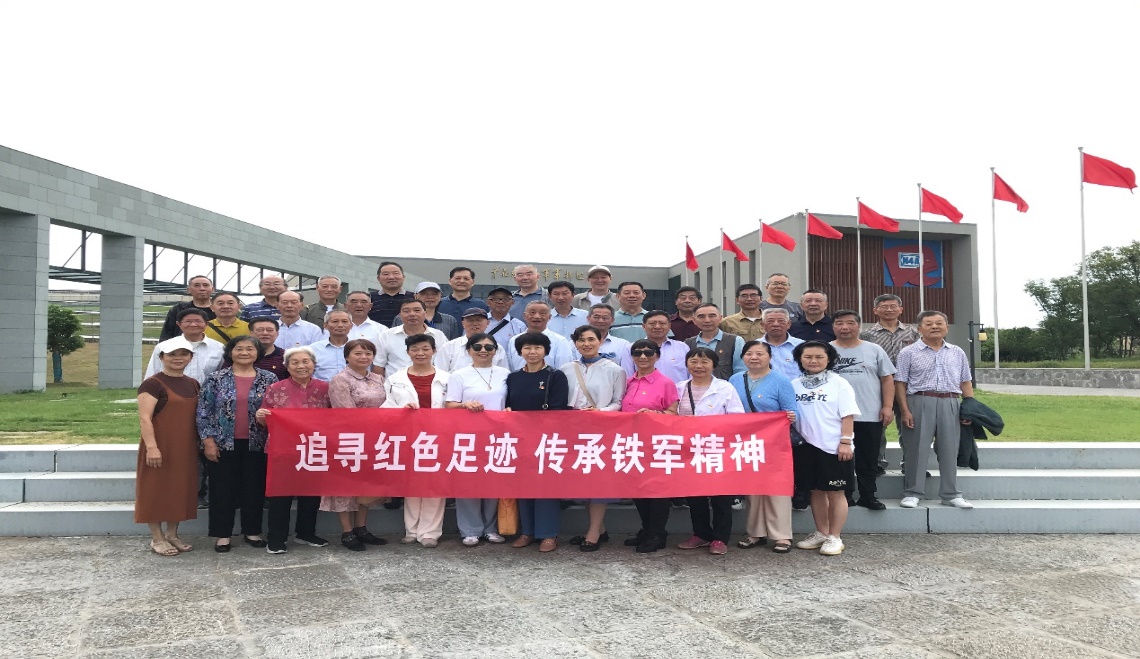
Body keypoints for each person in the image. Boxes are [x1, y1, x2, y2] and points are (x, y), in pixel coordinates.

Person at [196, 335, 277, 552]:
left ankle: (252, 531)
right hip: (222, 443)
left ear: (257, 353)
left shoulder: (269, 378)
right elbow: (203, 412)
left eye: (250, 349)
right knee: (222, 490)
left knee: (254, 489)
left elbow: (277, 409)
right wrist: (208, 441)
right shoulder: (216, 378)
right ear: (230, 352)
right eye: (239, 348)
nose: (244, 353)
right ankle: (222, 534)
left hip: (258, 444)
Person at [895, 310, 976, 510]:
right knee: (916, 449)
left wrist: (969, 408)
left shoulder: (957, 352)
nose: (934, 327)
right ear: (919, 329)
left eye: (939, 323)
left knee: (949, 449)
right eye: (929, 323)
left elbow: (965, 381)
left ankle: (950, 494)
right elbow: (900, 383)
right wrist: (905, 410)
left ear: (946, 327)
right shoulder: (908, 352)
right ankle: (912, 493)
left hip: (950, 402)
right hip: (919, 401)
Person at [258, 346, 332, 554]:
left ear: (314, 364)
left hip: (315, 447)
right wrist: (261, 416)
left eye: (305, 361)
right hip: (283, 449)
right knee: (281, 494)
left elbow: (335, 417)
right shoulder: (276, 388)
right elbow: (265, 419)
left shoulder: (325, 388)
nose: (301, 366)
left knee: (311, 493)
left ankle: (305, 533)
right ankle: (276, 537)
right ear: (287, 366)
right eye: (295, 362)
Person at [560, 326, 626, 552]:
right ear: (575, 343)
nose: (586, 344)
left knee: (598, 482)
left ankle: (593, 533)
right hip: (573, 431)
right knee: (583, 482)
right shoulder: (567, 369)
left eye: (591, 339)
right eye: (581, 340)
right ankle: (600, 529)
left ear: (600, 341)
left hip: (601, 431)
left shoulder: (614, 369)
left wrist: (600, 412)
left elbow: (618, 402)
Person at [729, 340, 799, 553]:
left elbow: (792, 411)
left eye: (760, 353)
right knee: (752, 488)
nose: (754, 357)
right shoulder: (735, 379)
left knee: (777, 487)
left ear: (770, 357)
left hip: (774, 441)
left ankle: (782, 535)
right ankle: (755, 533)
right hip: (745, 442)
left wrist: (790, 417)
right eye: (749, 353)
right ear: (743, 357)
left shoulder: (781, 381)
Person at [791, 341, 860, 556]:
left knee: (836, 492)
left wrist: (845, 441)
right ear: (800, 359)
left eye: (819, 357)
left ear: (829, 359)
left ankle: (835, 537)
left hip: (833, 447)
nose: (813, 361)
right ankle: (821, 532)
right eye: (808, 357)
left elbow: (848, 415)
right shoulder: (795, 384)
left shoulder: (839, 383)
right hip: (805, 446)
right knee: (816, 491)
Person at [675, 348, 745, 556]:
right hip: (689, 450)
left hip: (717, 449)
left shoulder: (725, 388)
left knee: (720, 496)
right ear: (687, 364)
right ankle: (701, 534)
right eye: (693, 361)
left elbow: (736, 418)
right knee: (695, 495)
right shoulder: (679, 387)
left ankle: (720, 538)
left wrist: (704, 424)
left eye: (704, 362)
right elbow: (671, 415)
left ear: (714, 365)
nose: (699, 366)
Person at [382, 334, 450, 547]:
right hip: (408, 437)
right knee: (411, 483)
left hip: (438, 437)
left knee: (434, 484)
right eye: (415, 349)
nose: (420, 353)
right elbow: (385, 407)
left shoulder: (447, 378)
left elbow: (453, 406)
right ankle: (411, 530)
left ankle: (430, 532)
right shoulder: (395, 379)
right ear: (408, 352)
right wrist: (401, 410)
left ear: (434, 351)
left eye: (425, 349)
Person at [135, 336, 200, 556]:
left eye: (183, 354)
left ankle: (172, 534)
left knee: (179, 489)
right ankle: (157, 537)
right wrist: (152, 447)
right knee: (154, 489)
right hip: (160, 444)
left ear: (190, 357)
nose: (178, 358)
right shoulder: (152, 384)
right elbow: (145, 418)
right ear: (161, 357)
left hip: (185, 446)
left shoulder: (193, 384)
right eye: (172, 354)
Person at [506, 332, 570, 552]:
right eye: (527, 348)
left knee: (545, 487)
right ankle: (528, 531)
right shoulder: (513, 377)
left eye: (537, 348)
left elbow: (558, 409)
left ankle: (548, 534)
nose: (532, 352)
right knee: (523, 486)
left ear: (545, 351)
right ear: (520, 351)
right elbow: (509, 405)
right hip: (519, 440)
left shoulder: (555, 376)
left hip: (546, 439)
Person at [445, 332, 510, 547]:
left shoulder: (505, 373)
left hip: (498, 435)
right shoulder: (459, 375)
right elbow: (449, 405)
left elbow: (509, 401)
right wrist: (465, 404)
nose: (483, 351)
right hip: (468, 435)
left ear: (495, 351)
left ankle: (491, 528)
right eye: (478, 347)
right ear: (468, 351)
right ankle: (470, 529)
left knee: (494, 481)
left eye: (489, 347)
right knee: (468, 482)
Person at [323, 339, 389, 551]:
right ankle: (347, 531)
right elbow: (346, 413)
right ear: (347, 356)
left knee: (365, 484)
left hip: (376, 439)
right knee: (346, 486)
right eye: (358, 353)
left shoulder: (378, 378)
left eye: (368, 353)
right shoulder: (340, 379)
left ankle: (362, 528)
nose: (363, 357)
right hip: (349, 439)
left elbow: (388, 406)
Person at [831, 310, 895, 511]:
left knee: (868, 458)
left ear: (859, 326)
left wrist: (887, 406)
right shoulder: (825, 350)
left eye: (850, 323)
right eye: (839, 323)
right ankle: (845, 495)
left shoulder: (874, 349)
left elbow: (887, 379)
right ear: (833, 327)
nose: (845, 327)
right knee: (841, 459)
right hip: (836, 417)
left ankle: (868, 495)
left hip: (869, 413)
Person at [621, 338, 679, 553]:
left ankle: (658, 533)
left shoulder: (665, 383)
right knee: (638, 489)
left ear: (657, 356)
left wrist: (655, 414)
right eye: (637, 353)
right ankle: (646, 529)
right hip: (632, 443)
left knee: (657, 490)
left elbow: (673, 413)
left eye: (648, 352)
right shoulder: (628, 381)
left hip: (657, 444)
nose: (643, 357)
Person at [860, 293, 920, 473]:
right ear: (875, 310)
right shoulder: (866, 335)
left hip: (908, 387)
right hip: (878, 387)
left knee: (909, 425)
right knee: (878, 426)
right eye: (884, 306)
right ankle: (877, 463)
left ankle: (910, 464)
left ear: (901, 309)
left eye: (893, 306)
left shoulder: (913, 332)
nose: (889, 310)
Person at [145, 309, 225, 384]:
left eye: (198, 321)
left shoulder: (219, 348)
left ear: (206, 324)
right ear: (179, 324)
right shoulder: (163, 347)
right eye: (188, 321)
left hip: (207, 393)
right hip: (173, 392)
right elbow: (152, 373)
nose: (193, 325)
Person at [374, 299, 449, 376]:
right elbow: (379, 365)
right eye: (406, 311)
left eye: (417, 310)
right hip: (396, 382)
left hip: (432, 381)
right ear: (399, 315)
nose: (412, 314)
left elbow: (445, 362)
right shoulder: (386, 336)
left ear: (425, 313)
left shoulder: (439, 336)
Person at [505, 301, 576, 371]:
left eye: (542, 313)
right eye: (532, 312)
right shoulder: (514, 340)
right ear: (524, 316)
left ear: (549, 317)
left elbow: (564, 370)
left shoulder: (560, 341)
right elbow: (511, 368)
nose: (537, 316)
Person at [436, 307, 509, 371]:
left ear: (487, 323)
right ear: (463, 323)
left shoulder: (497, 348)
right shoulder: (449, 347)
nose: (475, 323)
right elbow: (440, 373)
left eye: (479, 320)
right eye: (470, 320)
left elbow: (503, 374)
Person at [625, 310, 689, 382]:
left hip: (677, 389)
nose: (657, 327)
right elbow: (628, 377)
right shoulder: (631, 348)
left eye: (662, 323)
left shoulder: (682, 347)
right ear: (644, 326)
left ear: (669, 326)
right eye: (652, 323)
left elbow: (690, 375)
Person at [686, 303, 745, 380]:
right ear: (694, 320)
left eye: (712, 316)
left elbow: (741, 372)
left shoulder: (735, 341)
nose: (707, 320)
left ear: (720, 318)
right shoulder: (688, 343)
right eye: (701, 316)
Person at [392, 281, 460, 340]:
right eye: (424, 294)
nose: (430, 297)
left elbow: (453, 345)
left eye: (434, 294)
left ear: (440, 296)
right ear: (415, 296)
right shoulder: (401, 318)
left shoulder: (449, 320)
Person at [159, 276, 216, 341]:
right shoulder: (179, 309)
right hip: (182, 346)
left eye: (206, 285)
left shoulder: (220, 310)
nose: (202, 289)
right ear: (188, 290)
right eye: (197, 285)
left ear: (212, 289)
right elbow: (167, 333)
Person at [759, 308, 804, 381]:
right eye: (770, 321)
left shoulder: (801, 346)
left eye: (781, 321)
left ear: (788, 324)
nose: (776, 324)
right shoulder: (755, 346)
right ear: (763, 325)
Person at [586, 304, 634, 372]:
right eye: (596, 317)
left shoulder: (623, 345)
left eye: (605, 318)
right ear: (588, 318)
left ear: (612, 320)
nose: (600, 321)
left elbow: (626, 370)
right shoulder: (575, 343)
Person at [308, 310, 353, 381]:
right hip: (323, 387)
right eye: (335, 321)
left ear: (351, 325)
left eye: (344, 321)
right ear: (325, 325)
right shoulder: (313, 349)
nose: (340, 325)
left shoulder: (358, 348)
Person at [369, 261, 414, 328]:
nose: (391, 277)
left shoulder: (414, 298)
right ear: (378, 278)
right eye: (386, 274)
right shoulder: (369, 298)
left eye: (396, 273)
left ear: (403, 277)